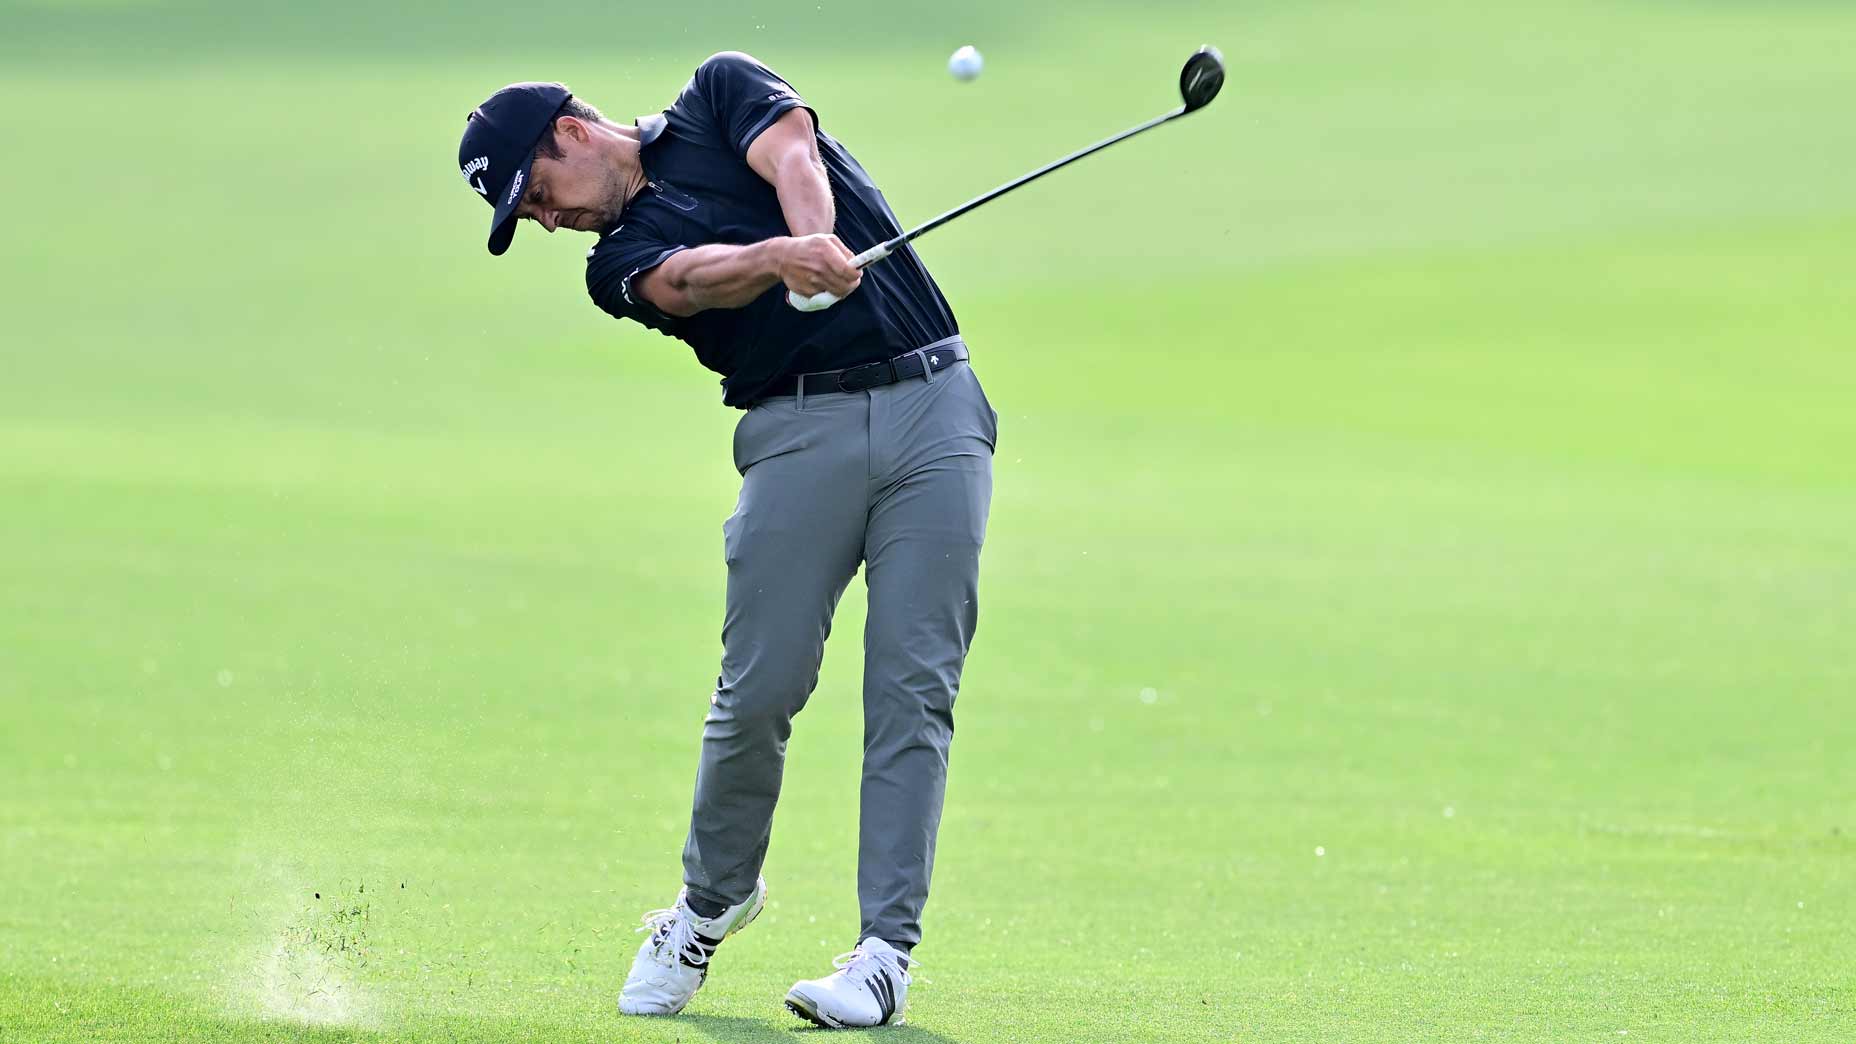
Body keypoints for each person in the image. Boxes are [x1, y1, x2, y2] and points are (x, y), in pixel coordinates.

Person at [455, 51, 997, 1028]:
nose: (546, 219)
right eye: (528, 217)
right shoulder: (611, 264)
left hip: (934, 407)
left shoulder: (718, 91)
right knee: (757, 690)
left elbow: (794, 155)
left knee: (913, 687)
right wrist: (778, 263)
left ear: (571, 133)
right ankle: (708, 905)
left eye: (537, 194)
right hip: (795, 436)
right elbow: (689, 283)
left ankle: (882, 957)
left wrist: (814, 237)